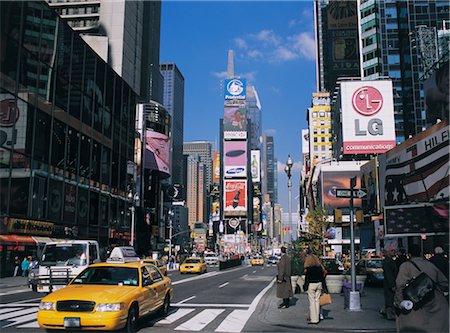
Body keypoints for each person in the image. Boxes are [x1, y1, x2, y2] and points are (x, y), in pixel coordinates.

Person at [394, 244, 449, 333]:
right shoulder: (430, 265)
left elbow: (399, 285)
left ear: (409, 254)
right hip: (434, 302)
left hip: (414, 305)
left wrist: (399, 302)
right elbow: (444, 283)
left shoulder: (406, 266)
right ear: (420, 253)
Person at [303, 253, 325, 324]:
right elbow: (322, 278)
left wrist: (305, 287)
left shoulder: (308, 269)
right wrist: (325, 287)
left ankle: (314, 319)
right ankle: (317, 317)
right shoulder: (319, 267)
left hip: (311, 285)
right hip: (319, 284)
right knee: (317, 301)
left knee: (312, 302)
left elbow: (307, 279)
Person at [382, 246, 398, 320]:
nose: (394, 252)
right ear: (388, 252)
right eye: (392, 250)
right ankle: (389, 314)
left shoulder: (390, 260)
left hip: (390, 282)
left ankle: (386, 311)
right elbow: (389, 274)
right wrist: (392, 285)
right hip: (390, 283)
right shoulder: (387, 261)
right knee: (390, 298)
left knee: (390, 297)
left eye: (394, 250)